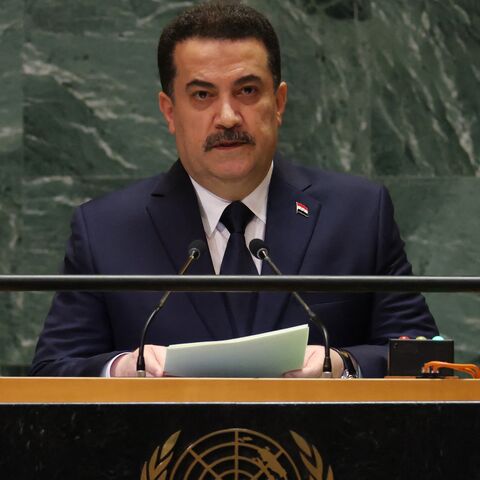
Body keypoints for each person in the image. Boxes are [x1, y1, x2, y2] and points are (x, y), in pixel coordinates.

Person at [30, 1, 438, 378]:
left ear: (278, 103)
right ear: (170, 111)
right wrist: (121, 370)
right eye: (203, 95)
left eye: (246, 91)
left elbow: (425, 358)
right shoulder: (106, 229)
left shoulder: (359, 214)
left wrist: (344, 364)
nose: (227, 117)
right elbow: (52, 370)